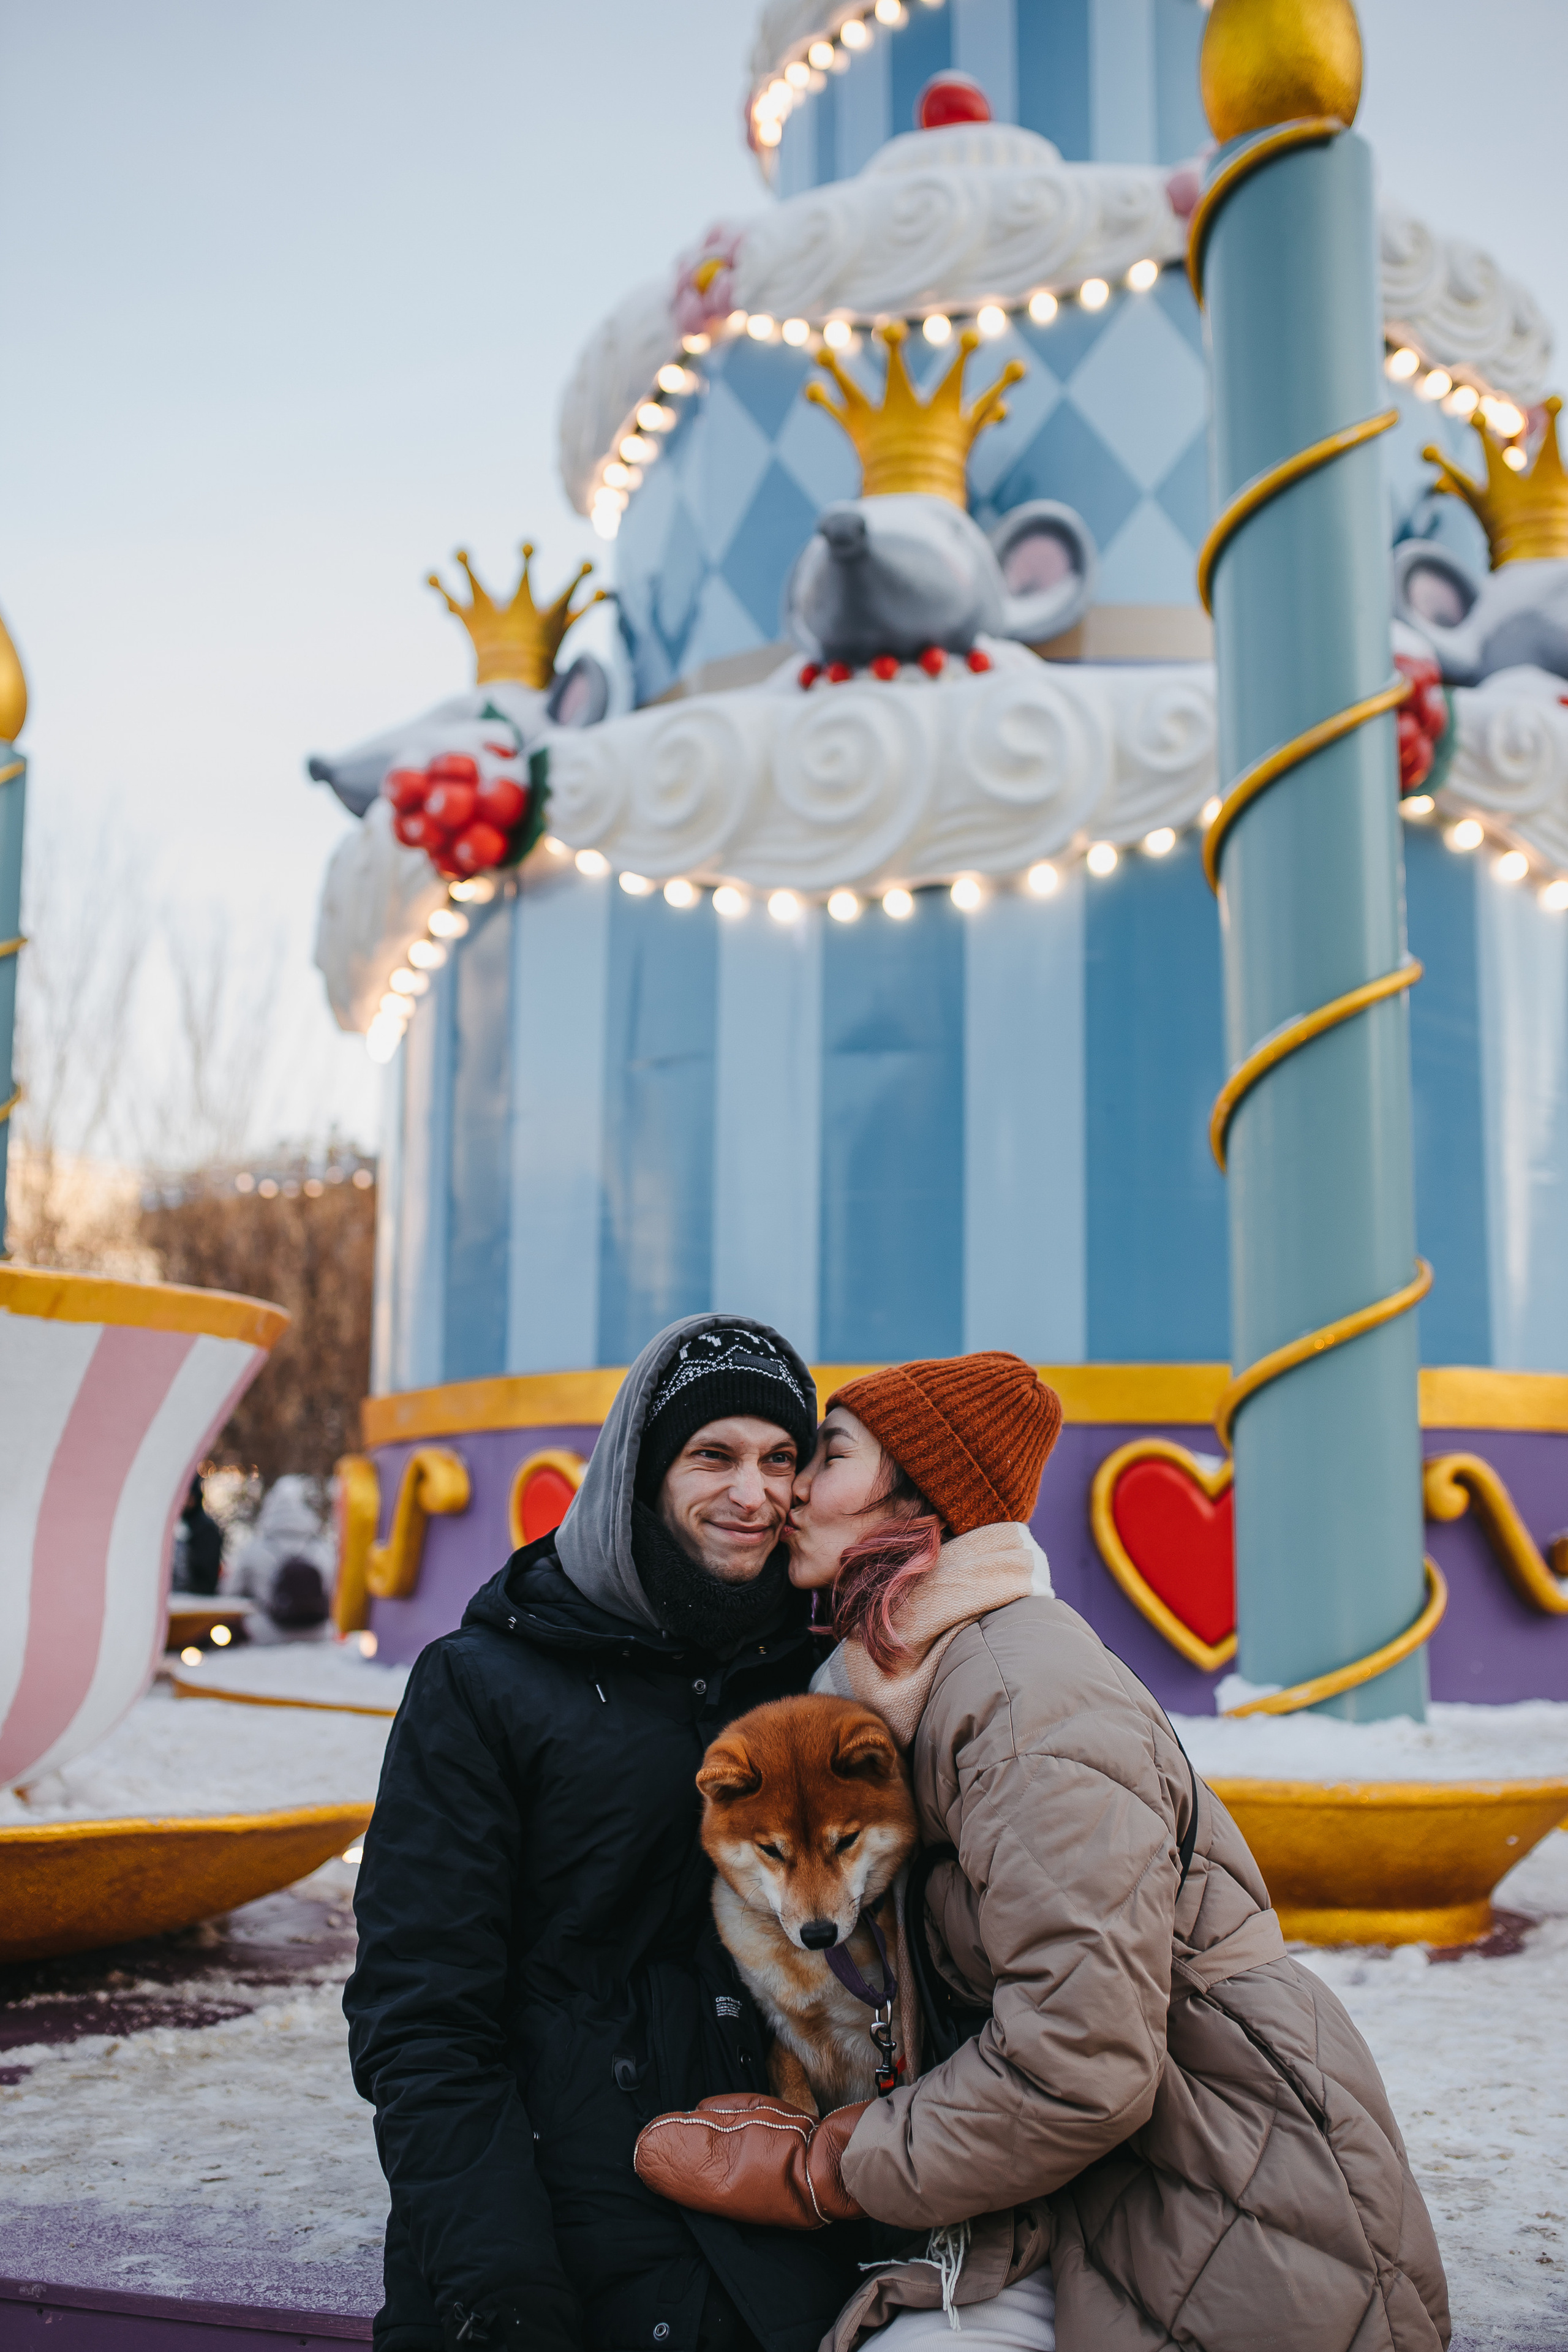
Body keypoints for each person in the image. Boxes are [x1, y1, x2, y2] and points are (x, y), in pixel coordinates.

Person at [636, 1351, 1452, 2352]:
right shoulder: (916, 1683)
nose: (794, 1485)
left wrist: (831, 2170)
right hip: (1098, 2179)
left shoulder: (1023, 1706)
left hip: (1227, 2185)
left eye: (829, 1455)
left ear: (918, 1502)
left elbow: (1084, 2061)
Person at [345, 1314, 894, 2352]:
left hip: (789, 2221)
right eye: (713, 1456)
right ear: (641, 1472)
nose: (754, 1493)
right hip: (553, 2226)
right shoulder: (485, 1684)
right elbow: (423, 2013)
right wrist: (498, 2285)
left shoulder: (822, 1675)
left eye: (783, 1459)